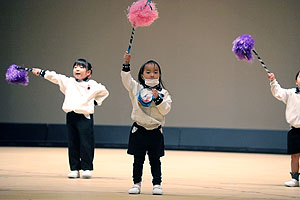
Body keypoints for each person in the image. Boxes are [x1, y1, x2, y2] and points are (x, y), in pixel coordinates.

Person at [32, 58, 109, 179]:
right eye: (75, 67)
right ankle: (74, 169)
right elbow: (55, 76)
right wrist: (41, 72)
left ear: (88, 72)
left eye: (81, 67)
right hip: (71, 115)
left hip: (85, 116)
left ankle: (87, 168)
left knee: (86, 143)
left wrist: (95, 102)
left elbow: (104, 92)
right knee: (73, 142)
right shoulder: (68, 82)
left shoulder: (93, 85)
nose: (77, 69)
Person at [121, 51, 172, 195]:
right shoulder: (136, 88)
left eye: (155, 72)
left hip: (155, 131)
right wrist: (126, 63)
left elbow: (166, 110)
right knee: (138, 159)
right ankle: (136, 184)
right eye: (148, 72)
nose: (152, 75)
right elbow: (126, 80)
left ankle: (157, 184)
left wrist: (158, 99)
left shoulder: (164, 93)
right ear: (142, 75)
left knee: (155, 160)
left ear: (159, 75)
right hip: (139, 130)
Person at [268, 71, 300, 187]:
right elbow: (278, 92)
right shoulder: (290, 93)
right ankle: (294, 179)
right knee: (294, 156)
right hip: (295, 131)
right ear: (296, 81)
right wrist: (273, 81)